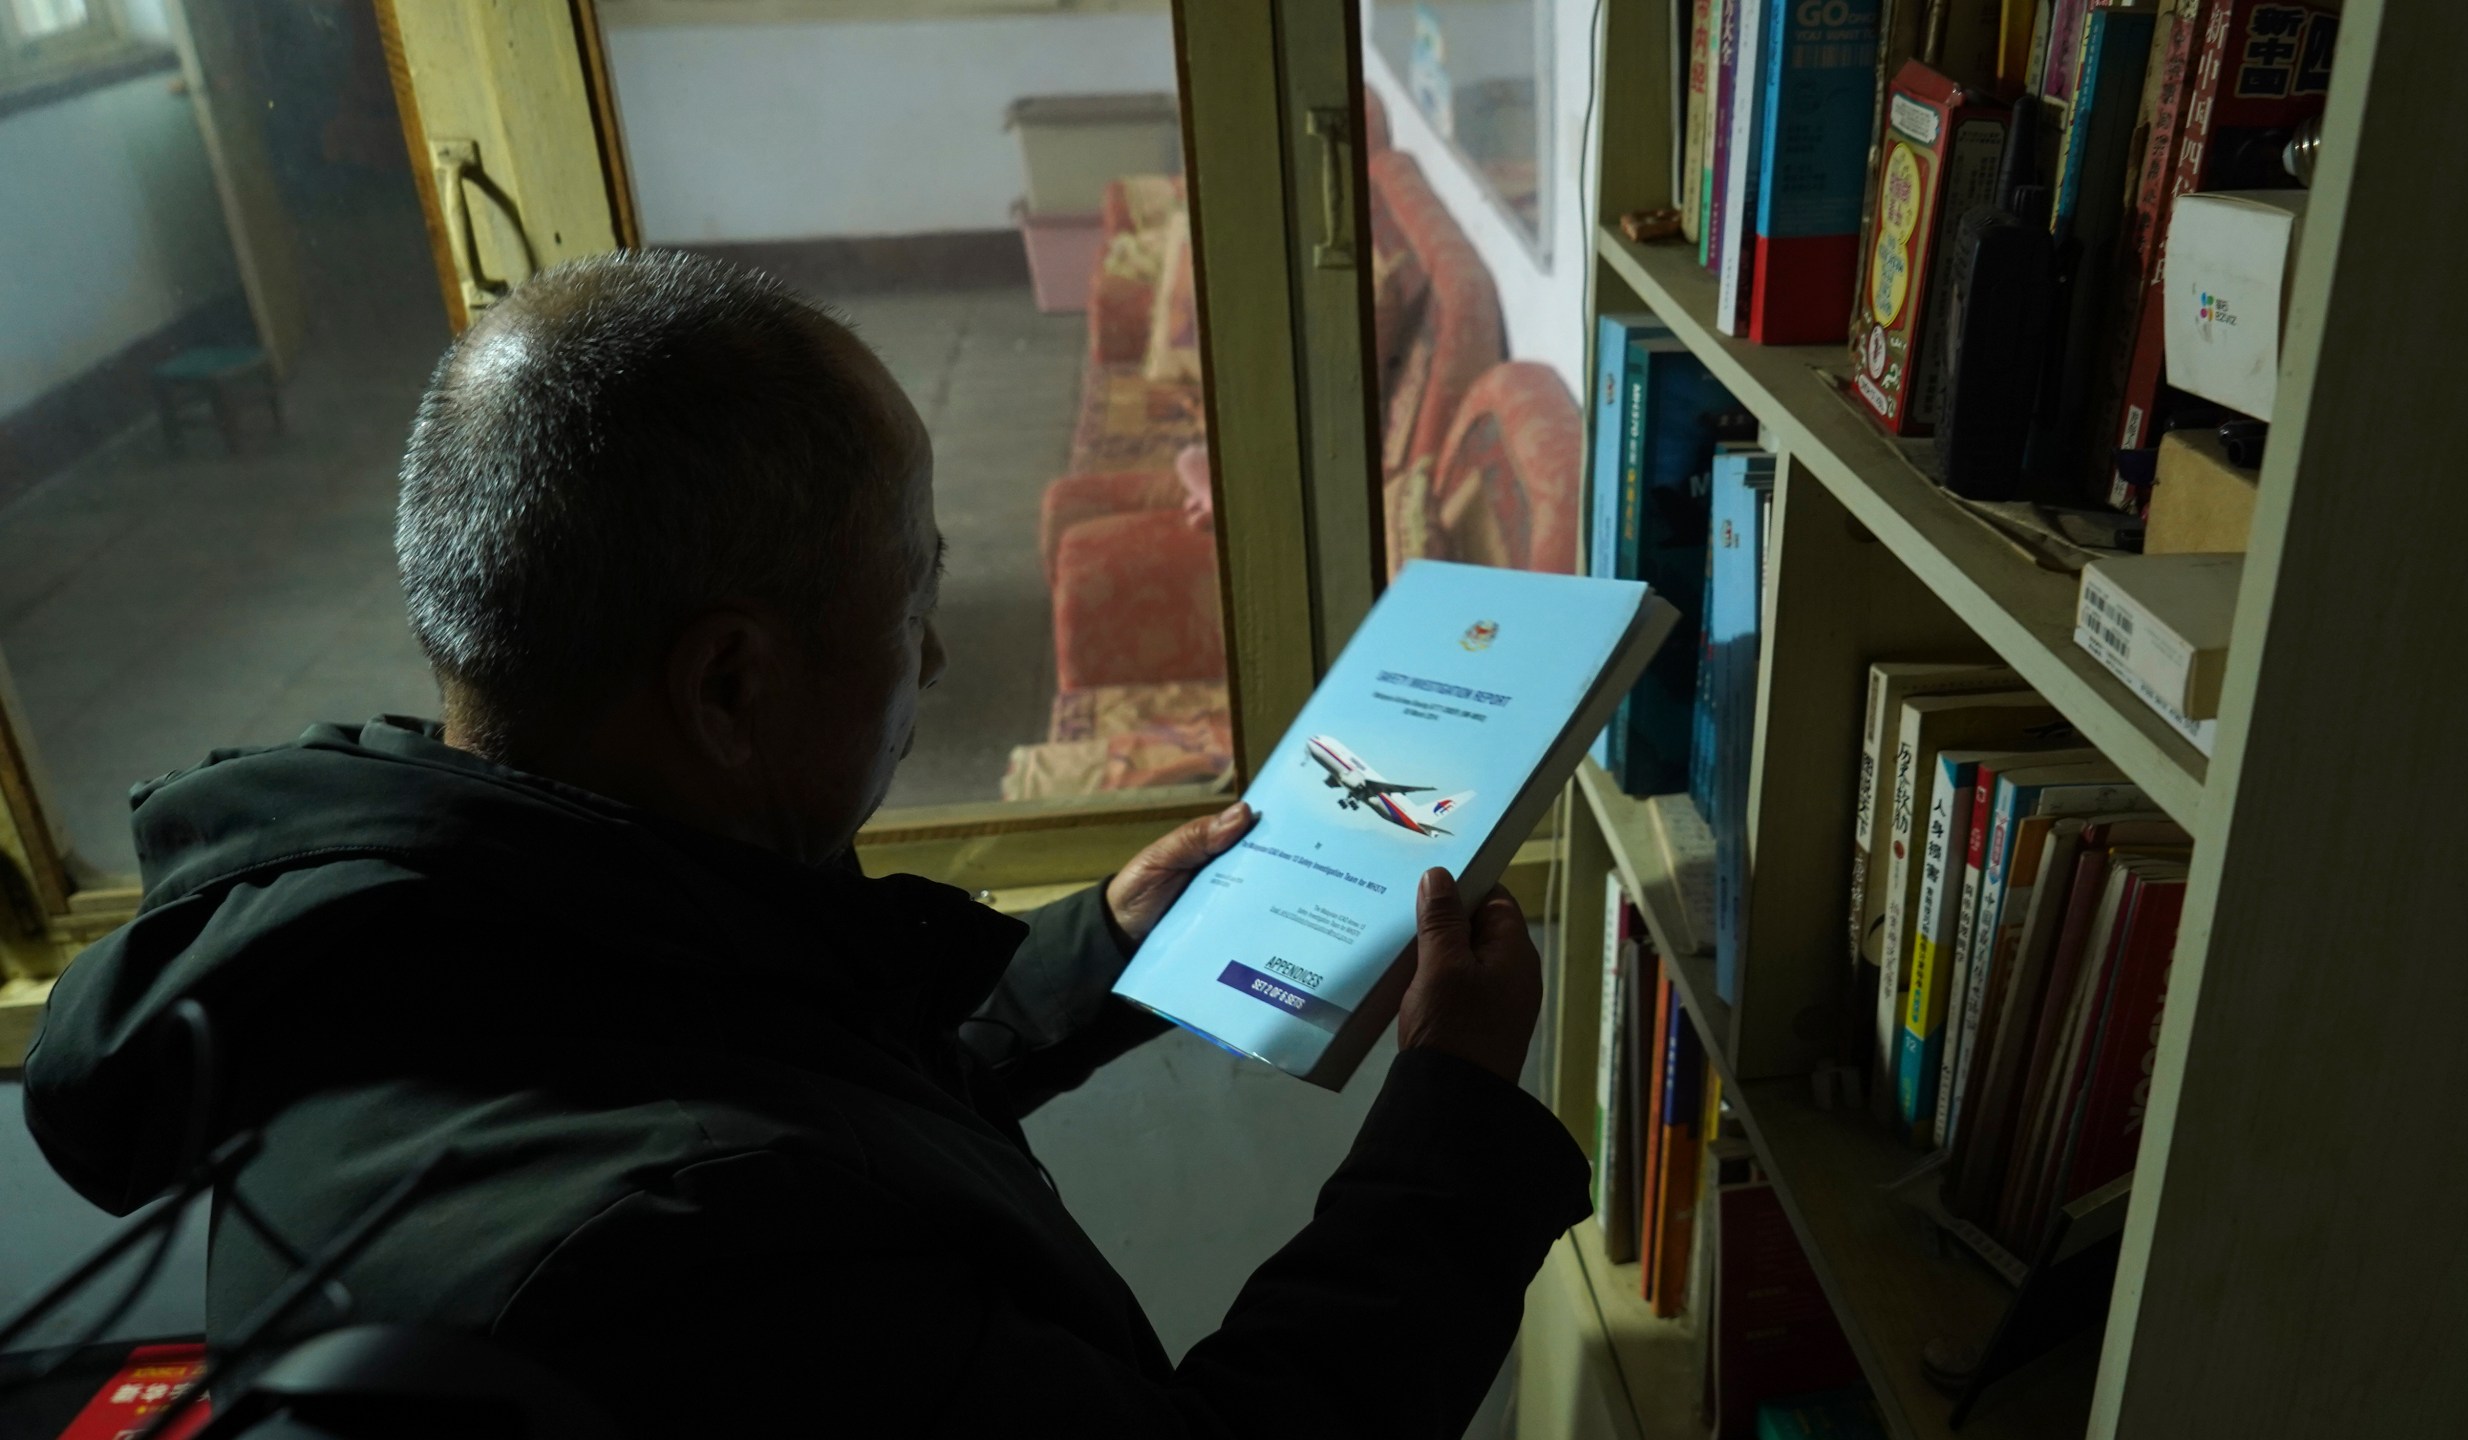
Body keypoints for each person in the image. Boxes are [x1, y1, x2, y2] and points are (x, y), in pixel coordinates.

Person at [20, 251, 1590, 1438]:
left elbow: (789, 1072)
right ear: (730, 686)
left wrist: (1101, 947)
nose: (939, 664)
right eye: (914, 606)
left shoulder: (411, 924)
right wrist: (1451, 1120)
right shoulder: (694, 1264)